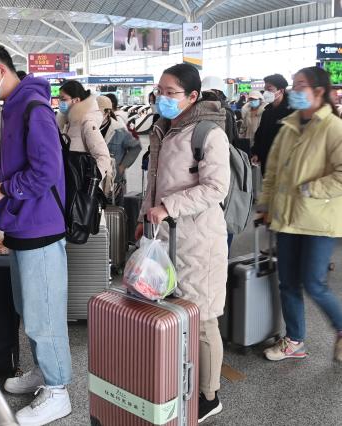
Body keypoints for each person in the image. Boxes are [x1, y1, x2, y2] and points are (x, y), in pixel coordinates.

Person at [0, 41, 72, 426]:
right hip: (23, 224)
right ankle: (45, 372)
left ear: (1, 71)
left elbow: (46, 171)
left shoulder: (33, 108)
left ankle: (58, 391)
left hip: (40, 226)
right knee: (30, 308)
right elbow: (26, 163)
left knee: (45, 315)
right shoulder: (12, 107)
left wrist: (5, 190)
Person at [135, 64, 230, 424]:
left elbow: (216, 188)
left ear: (192, 96)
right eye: (159, 90)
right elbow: (155, 181)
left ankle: (209, 395)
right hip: (164, 235)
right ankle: (181, 379)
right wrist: (144, 216)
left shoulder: (208, 133)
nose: (162, 97)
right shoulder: (164, 127)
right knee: (173, 311)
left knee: (202, 318)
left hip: (197, 240)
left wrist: (168, 207)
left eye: (171, 92)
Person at [257, 66, 342, 364]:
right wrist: (266, 205)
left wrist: (310, 188)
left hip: (319, 220)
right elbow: (273, 172)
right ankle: (294, 340)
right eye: (293, 85)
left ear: (319, 92)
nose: (294, 90)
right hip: (287, 218)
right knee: (288, 283)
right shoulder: (289, 126)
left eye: (300, 85)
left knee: (314, 283)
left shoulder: (333, 128)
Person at [56, 80, 113, 192]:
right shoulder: (68, 123)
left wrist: (91, 183)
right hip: (69, 184)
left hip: (81, 188)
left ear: (76, 100)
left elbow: (103, 156)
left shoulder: (86, 123)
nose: (60, 102)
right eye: (59, 99)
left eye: (63, 99)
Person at [97, 95, 142, 202]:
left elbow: (136, 147)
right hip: (95, 181)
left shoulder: (118, 130)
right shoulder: (90, 128)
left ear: (107, 112)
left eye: (98, 113)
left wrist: (122, 166)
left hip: (114, 183)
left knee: (114, 210)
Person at [252, 74, 294, 174]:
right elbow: (260, 133)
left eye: (269, 89)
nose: (266, 93)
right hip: (266, 160)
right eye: (265, 89)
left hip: (284, 163)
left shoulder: (291, 111)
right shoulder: (267, 111)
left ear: (281, 91)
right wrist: (256, 152)